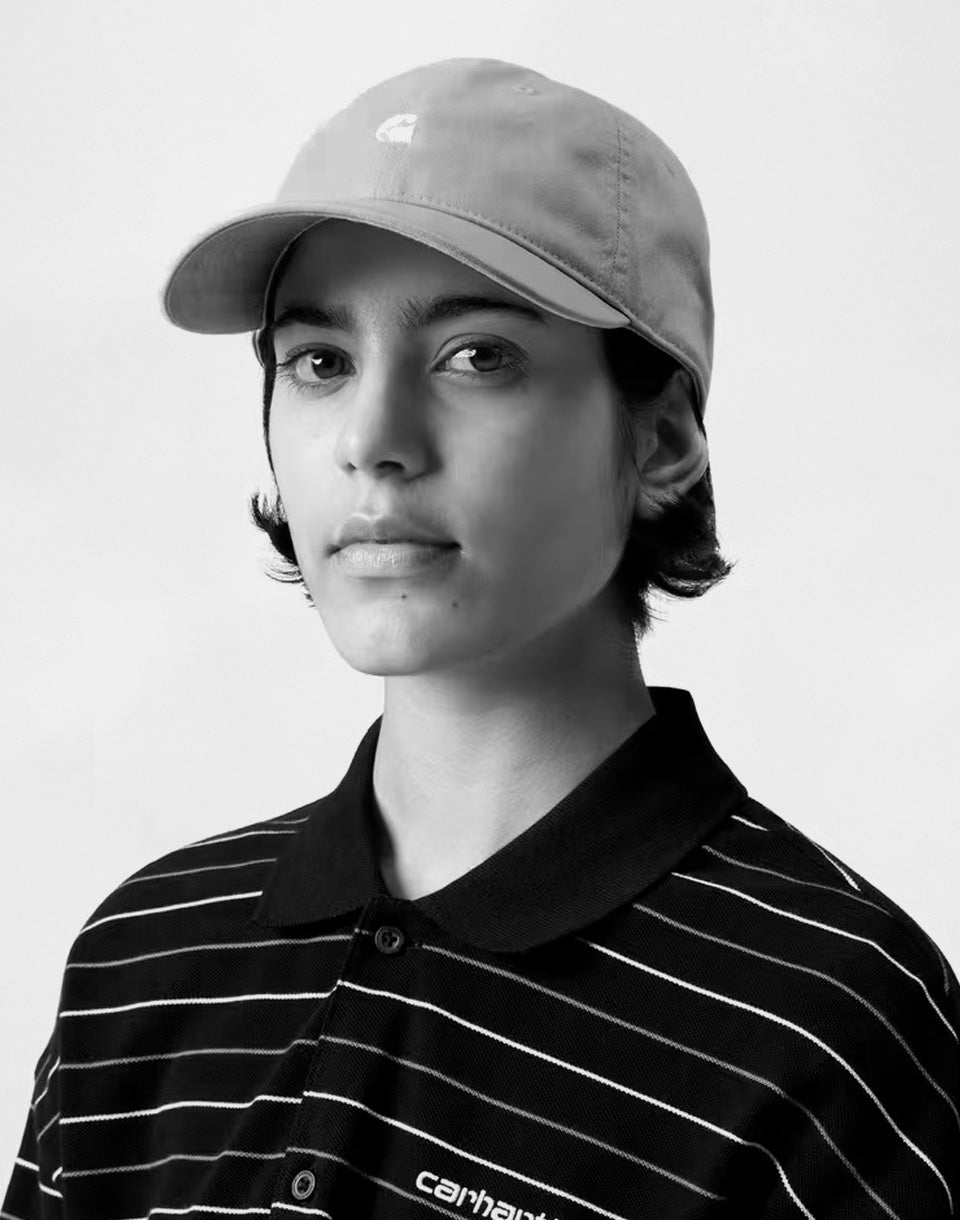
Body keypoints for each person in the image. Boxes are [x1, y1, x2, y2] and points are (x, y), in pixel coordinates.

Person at [4, 56, 958, 1220]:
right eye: (320, 362)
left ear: (661, 441)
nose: (372, 438)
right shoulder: (142, 955)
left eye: (478, 356)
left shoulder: (829, 1024)